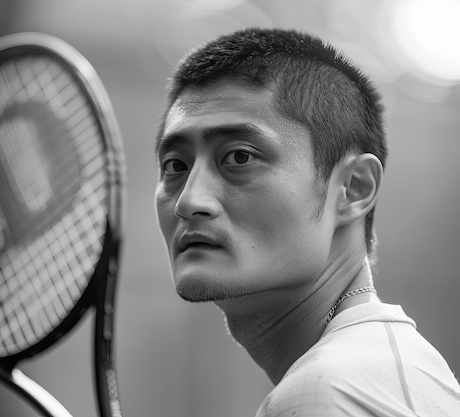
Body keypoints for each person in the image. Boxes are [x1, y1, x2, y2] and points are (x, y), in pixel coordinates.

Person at [154, 27, 460, 416]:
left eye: (240, 157)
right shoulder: (391, 367)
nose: (189, 201)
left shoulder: (325, 392)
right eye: (175, 166)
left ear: (353, 188)